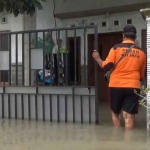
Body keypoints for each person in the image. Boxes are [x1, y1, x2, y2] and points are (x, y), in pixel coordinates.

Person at [92, 25, 146, 130]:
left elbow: (107, 66)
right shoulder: (142, 53)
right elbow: (141, 75)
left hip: (116, 85)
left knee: (115, 113)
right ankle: (128, 141)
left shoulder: (116, 48)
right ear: (135, 36)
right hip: (133, 86)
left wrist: (98, 58)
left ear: (123, 35)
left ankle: (117, 137)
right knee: (129, 116)